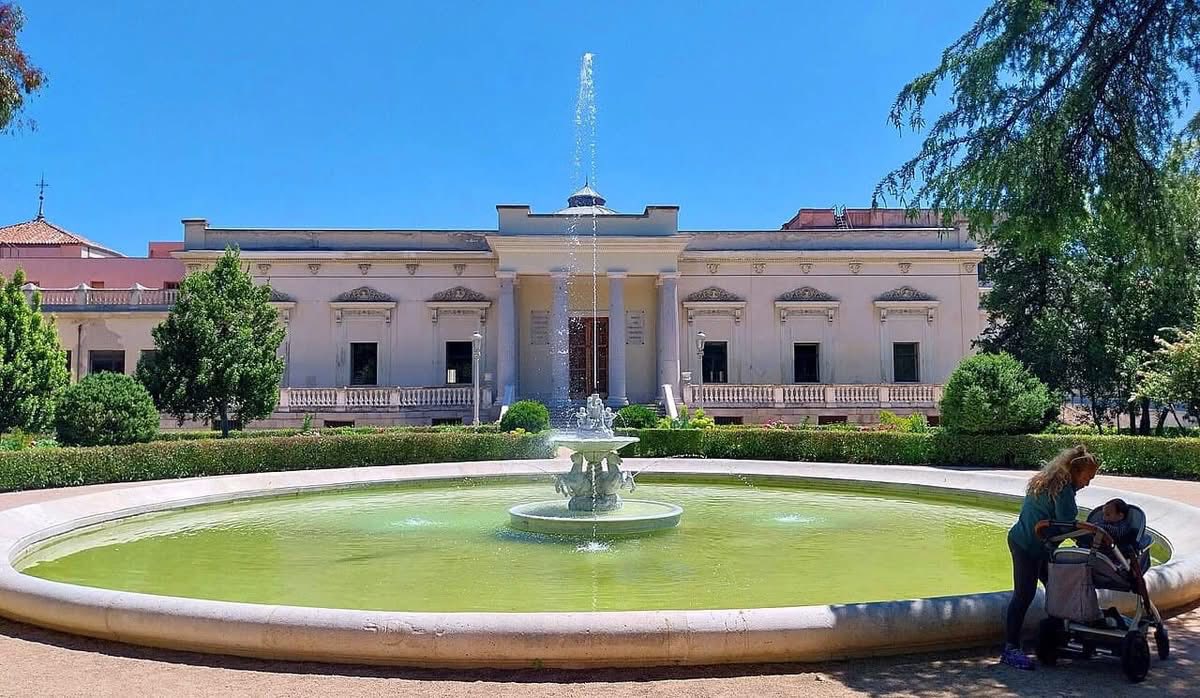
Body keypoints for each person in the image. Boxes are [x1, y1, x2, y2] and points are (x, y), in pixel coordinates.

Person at [1001, 445, 1100, 670]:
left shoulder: (1049, 480)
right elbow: (1068, 526)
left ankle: (1055, 636)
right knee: (1024, 595)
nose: (1088, 483)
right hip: (1028, 546)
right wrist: (1094, 542)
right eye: (1088, 477)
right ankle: (1010, 649)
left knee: (1058, 589)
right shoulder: (1063, 489)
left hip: (1031, 542)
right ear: (1077, 472)